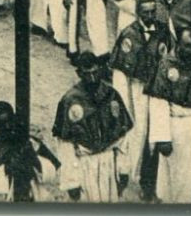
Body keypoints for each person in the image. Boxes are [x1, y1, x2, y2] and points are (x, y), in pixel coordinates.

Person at [51, 50, 131, 202]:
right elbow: (65, 144)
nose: (93, 78)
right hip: (84, 165)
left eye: (95, 72)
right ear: (79, 73)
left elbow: (122, 137)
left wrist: (123, 169)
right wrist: (71, 181)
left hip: (108, 163)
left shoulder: (111, 95)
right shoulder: (70, 100)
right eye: (87, 74)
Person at [111, 0, 167, 196]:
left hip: (159, 91)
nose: (150, 16)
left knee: (156, 134)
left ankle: (149, 182)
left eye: (153, 12)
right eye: (146, 13)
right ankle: (123, 175)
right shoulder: (129, 35)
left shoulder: (162, 32)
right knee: (135, 133)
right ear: (138, 13)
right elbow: (120, 73)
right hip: (137, 90)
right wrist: (123, 101)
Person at [0, 101, 59, 202]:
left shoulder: (29, 142)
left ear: (14, 118)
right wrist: (5, 167)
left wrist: (34, 160)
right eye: (2, 124)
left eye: (10, 121)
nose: (8, 126)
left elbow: (57, 171)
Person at [146, 29, 191, 204]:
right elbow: (157, 101)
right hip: (175, 123)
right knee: (175, 176)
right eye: (188, 46)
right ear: (179, 45)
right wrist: (162, 137)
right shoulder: (167, 64)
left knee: (190, 177)